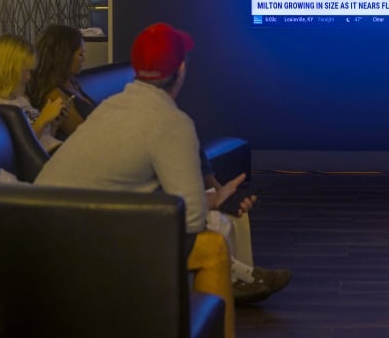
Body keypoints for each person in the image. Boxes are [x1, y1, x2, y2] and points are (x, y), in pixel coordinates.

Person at [31, 24, 291, 304]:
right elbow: (190, 222)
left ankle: (240, 278)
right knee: (211, 246)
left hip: (39, 238)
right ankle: (232, 285)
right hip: (76, 249)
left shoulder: (111, 107)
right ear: (180, 70)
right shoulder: (171, 123)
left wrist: (215, 199)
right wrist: (211, 201)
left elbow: (133, 190)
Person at [0, 33, 66, 153]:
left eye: (29, 70)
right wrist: (43, 119)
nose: (28, 77)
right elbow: (13, 151)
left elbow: (44, 141)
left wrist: (53, 124)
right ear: (5, 68)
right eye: (24, 70)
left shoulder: (22, 98)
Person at [29, 25, 96, 140]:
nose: (84, 60)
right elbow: (83, 135)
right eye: (80, 55)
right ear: (64, 56)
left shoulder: (70, 82)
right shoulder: (54, 96)